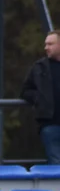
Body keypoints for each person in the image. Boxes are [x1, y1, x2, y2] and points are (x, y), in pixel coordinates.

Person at [20, 30, 60, 165]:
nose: (46, 48)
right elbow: (25, 91)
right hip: (50, 124)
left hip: (50, 125)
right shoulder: (39, 67)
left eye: (50, 44)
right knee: (56, 164)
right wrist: (40, 98)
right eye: (45, 44)